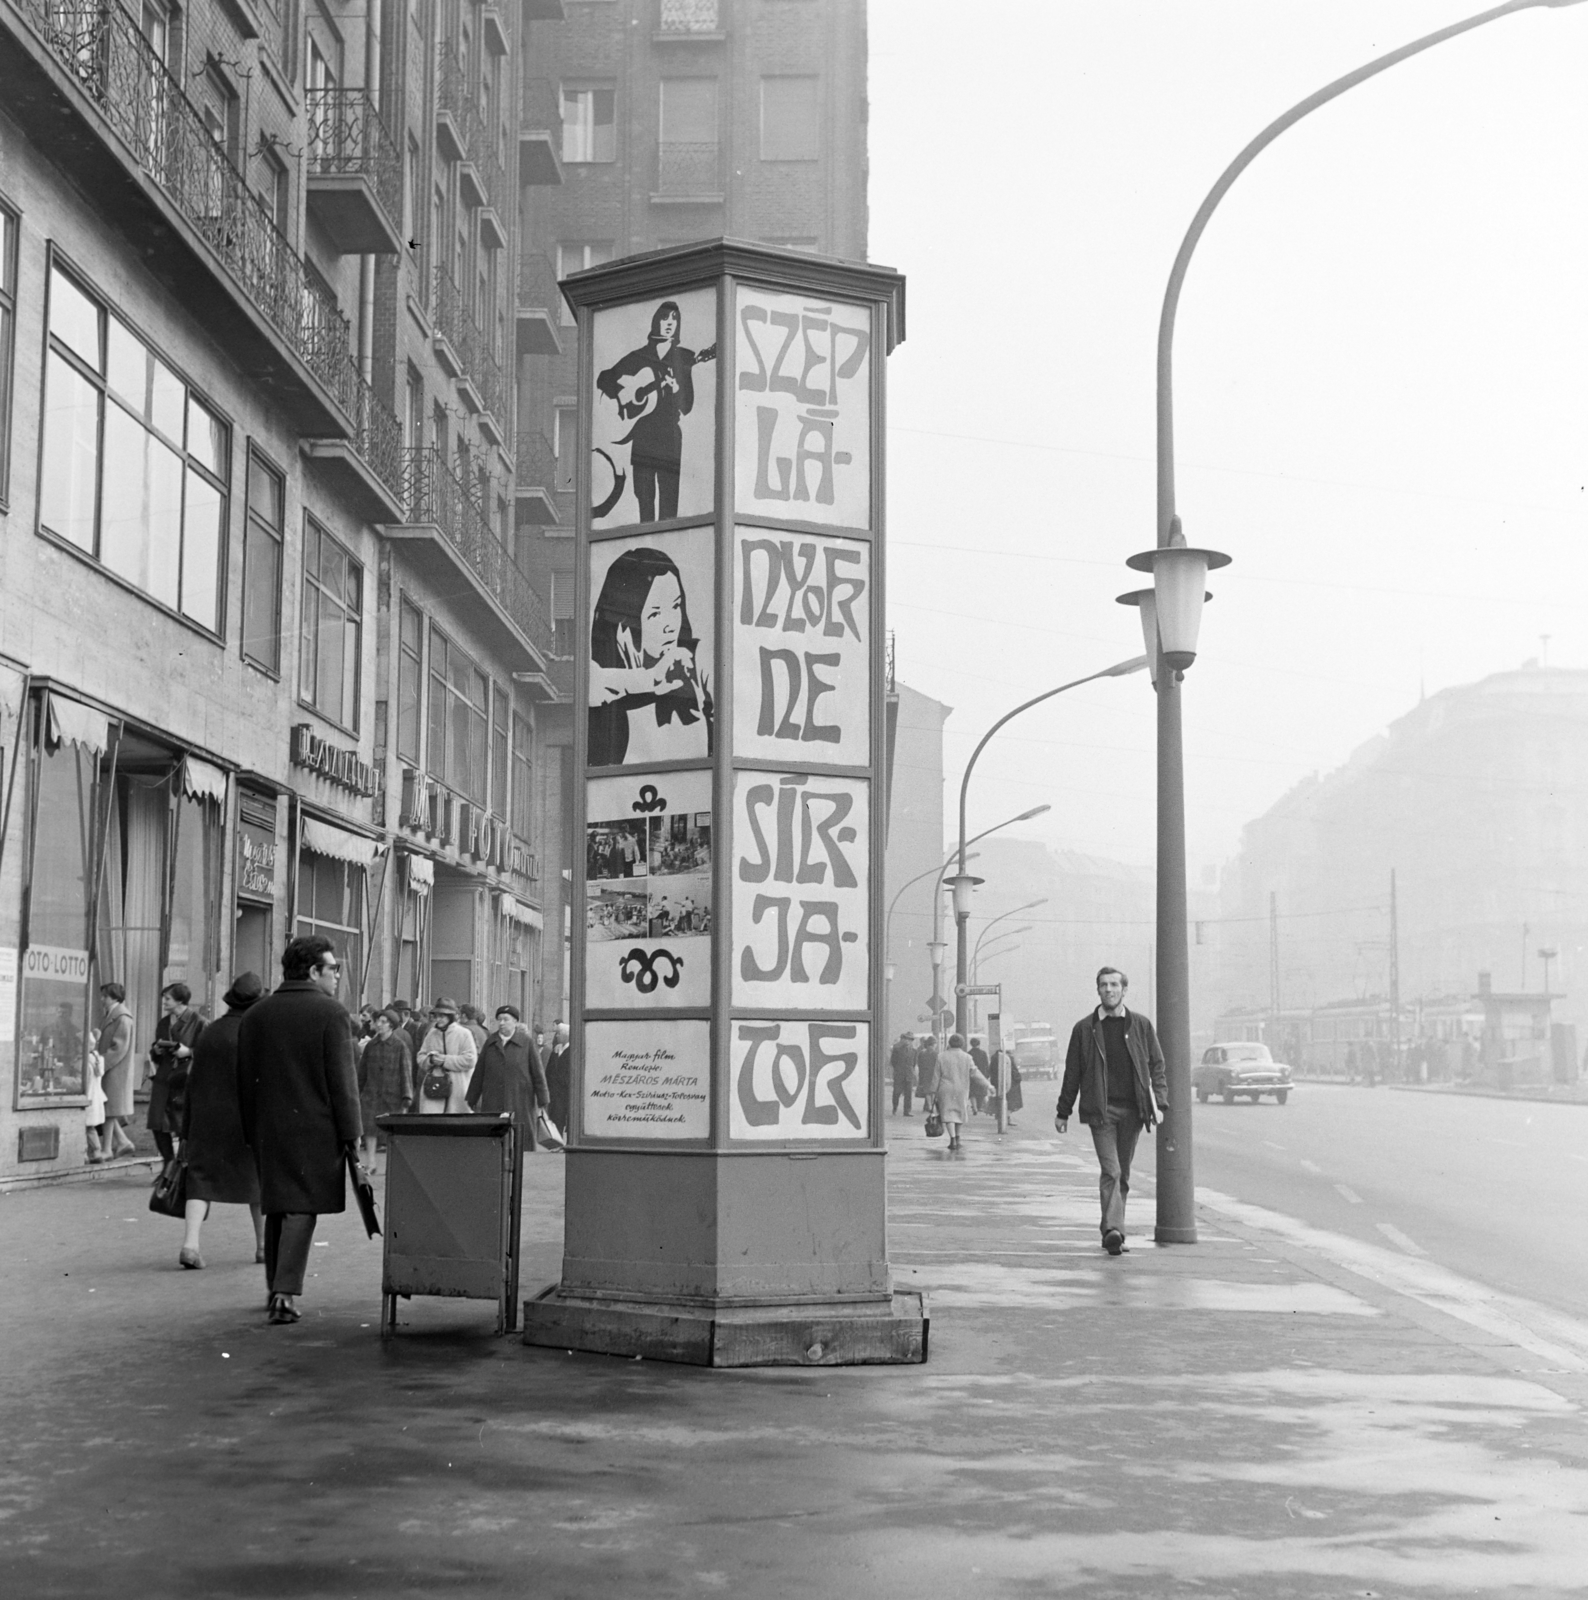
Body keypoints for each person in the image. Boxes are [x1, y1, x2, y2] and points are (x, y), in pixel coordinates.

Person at [237, 936, 362, 1325]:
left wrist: (251, 1129)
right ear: (313, 972)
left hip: (268, 1129)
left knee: (278, 1206)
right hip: (316, 1129)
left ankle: (276, 1284)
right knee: (302, 1209)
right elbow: (343, 1081)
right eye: (333, 969)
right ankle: (285, 1292)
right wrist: (351, 1133)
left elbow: (243, 1079)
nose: (337, 976)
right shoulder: (331, 1014)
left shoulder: (257, 1014)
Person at [1055, 966, 1168, 1256]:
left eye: (1114, 985)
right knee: (1112, 1170)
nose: (1109, 989)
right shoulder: (1084, 1029)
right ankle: (1113, 1231)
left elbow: (1157, 1064)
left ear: (1124, 990)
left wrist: (1160, 1101)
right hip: (1102, 1112)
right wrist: (1063, 1111)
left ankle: (1113, 1231)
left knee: (1124, 1174)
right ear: (1098, 990)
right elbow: (1073, 1072)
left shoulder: (1140, 1025)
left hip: (1134, 1111)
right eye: (1103, 985)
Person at [588, 546, 713, 766]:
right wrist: (651, 679)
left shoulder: (692, 684)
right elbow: (591, 682)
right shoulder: (601, 689)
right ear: (624, 625)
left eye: (675, 606)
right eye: (655, 613)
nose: (670, 626)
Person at [177, 973, 266, 1270]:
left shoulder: (210, 1032)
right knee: (258, 1182)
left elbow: (193, 1083)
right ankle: (263, 1247)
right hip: (247, 1123)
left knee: (200, 1181)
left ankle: (190, 1244)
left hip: (207, 1122)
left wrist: (187, 1126)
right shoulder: (257, 1033)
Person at [595, 299, 709, 523]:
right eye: (664, 318)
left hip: (669, 436)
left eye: (674, 320)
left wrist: (677, 390)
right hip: (643, 434)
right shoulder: (639, 357)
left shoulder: (684, 357)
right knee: (644, 497)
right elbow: (603, 378)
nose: (669, 323)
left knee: (668, 498)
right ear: (655, 321)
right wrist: (623, 394)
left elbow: (687, 407)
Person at [467, 1006, 549, 1149]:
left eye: (506, 1019)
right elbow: (479, 1073)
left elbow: (538, 1073)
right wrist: (471, 1099)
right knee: (494, 1144)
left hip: (520, 1100)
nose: (501, 1023)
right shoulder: (490, 1042)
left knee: (520, 1142)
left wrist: (543, 1100)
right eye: (499, 1019)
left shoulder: (526, 1043)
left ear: (516, 1022)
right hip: (493, 1101)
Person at [147, 982, 203, 1163]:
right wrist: (156, 1050)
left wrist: (188, 1052)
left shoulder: (199, 1022)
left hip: (185, 1080)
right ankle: (168, 1162)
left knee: (182, 1125)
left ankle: (182, 1165)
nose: (164, 1002)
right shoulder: (163, 1022)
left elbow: (209, 1052)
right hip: (164, 1078)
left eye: (168, 998)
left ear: (180, 1000)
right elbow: (155, 1056)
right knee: (157, 1122)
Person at [358, 1008, 414, 1171]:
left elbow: (406, 1072)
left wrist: (407, 1096)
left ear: (391, 1026)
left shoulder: (399, 1046)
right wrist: (358, 1091)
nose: (379, 1025)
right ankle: (371, 1163)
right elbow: (363, 1071)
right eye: (378, 1022)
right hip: (372, 1093)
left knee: (392, 1132)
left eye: (384, 1022)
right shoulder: (371, 1046)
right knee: (369, 1128)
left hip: (393, 1094)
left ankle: (393, 1165)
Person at [95, 983, 137, 1158]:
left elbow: (118, 1048)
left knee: (109, 1109)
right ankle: (122, 1142)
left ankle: (107, 1149)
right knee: (108, 1108)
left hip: (115, 1071)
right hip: (112, 1070)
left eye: (105, 996)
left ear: (114, 997)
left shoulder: (122, 1018)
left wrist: (100, 1063)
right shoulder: (114, 1015)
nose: (102, 999)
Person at [416, 996, 478, 1114]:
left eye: (442, 1016)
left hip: (458, 1088)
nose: (439, 1019)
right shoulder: (431, 1034)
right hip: (433, 1088)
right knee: (433, 1123)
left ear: (451, 1017)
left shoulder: (464, 1034)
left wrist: (445, 1061)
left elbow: (470, 1059)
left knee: (456, 1123)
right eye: (437, 1016)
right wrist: (431, 1060)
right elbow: (420, 1057)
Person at [930, 1033, 991, 1153]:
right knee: (959, 1112)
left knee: (948, 1114)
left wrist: (933, 1090)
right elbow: (975, 1073)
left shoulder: (941, 1056)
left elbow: (936, 1075)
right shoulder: (967, 1057)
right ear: (962, 1044)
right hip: (961, 1089)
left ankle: (952, 1139)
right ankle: (958, 1137)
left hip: (945, 1088)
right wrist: (987, 1084)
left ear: (949, 1043)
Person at [544, 1020, 571, 1142]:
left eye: (559, 1034)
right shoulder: (555, 1051)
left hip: (565, 1091)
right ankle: (557, 1142)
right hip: (554, 1091)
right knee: (555, 1117)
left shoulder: (571, 1051)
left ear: (566, 1035)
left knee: (563, 1118)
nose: (557, 1036)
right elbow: (549, 1070)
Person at [889, 1031, 917, 1116]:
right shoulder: (897, 1049)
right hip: (899, 1074)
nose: (908, 1041)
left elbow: (914, 1063)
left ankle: (907, 1111)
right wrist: (898, 1069)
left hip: (909, 1074)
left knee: (908, 1093)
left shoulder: (914, 1051)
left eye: (910, 1040)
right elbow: (893, 1061)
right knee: (897, 1092)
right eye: (907, 1039)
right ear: (904, 1039)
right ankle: (895, 1107)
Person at [969, 1036, 992, 1115]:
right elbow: (987, 1065)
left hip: (972, 1076)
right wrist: (986, 1076)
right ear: (979, 1044)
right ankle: (988, 1109)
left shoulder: (969, 1054)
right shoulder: (983, 1053)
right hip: (982, 1076)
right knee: (983, 1093)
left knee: (972, 1094)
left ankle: (975, 1109)